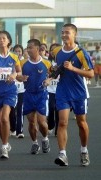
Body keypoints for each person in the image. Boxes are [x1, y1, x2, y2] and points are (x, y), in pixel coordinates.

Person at [52, 23, 94, 167]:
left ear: (74, 34)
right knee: (62, 122)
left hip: (78, 93)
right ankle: (62, 154)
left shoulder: (82, 52)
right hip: (62, 91)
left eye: (67, 32)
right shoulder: (57, 51)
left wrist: (73, 68)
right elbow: (57, 70)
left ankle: (84, 150)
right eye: (62, 32)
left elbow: (91, 73)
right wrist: (51, 74)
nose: (64, 35)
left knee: (81, 123)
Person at [0, 30, 21, 159]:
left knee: (4, 118)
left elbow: (19, 71)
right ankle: (5, 142)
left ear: (8, 41)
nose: (1, 41)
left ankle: (4, 146)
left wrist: (13, 75)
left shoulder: (14, 56)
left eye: (4, 38)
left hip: (9, 90)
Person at [17, 39, 51, 155]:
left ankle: (45, 138)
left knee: (41, 122)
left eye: (30, 47)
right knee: (31, 122)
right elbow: (18, 76)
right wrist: (20, 78)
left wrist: (48, 80)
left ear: (37, 48)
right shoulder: (23, 63)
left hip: (41, 94)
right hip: (28, 94)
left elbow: (52, 75)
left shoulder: (46, 63)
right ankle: (35, 143)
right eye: (27, 47)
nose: (28, 49)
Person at [10, 44, 25, 138]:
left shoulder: (25, 62)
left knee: (20, 110)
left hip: (21, 89)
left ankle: (20, 131)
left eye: (19, 51)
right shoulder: (10, 61)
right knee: (11, 110)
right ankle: (13, 128)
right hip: (11, 90)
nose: (18, 53)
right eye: (16, 51)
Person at [47, 43, 61, 137]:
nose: (53, 51)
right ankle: (51, 124)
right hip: (50, 89)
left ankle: (58, 130)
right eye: (52, 49)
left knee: (59, 110)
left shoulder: (62, 61)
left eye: (56, 49)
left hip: (60, 90)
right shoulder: (47, 62)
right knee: (51, 108)